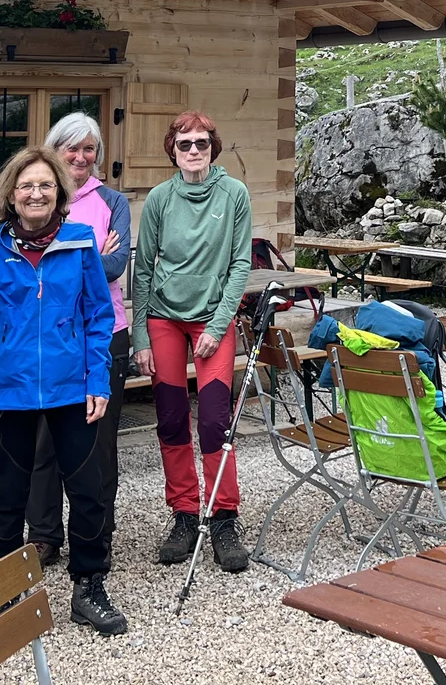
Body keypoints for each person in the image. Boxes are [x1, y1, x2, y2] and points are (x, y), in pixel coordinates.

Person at [0, 147, 126, 636]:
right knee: (9, 494)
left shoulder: (79, 243)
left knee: (87, 488)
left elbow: (99, 317)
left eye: (46, 186)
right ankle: (3, 585)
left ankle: (90, 584)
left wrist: (97, 379)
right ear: (11, 195)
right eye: (27, 186)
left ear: (60, 194)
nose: (36, 193)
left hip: (72, 388)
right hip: (10, 392)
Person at [131, 111, 253, 573]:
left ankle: (223, 516)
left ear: (213, 147)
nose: (194, 151)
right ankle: (184, 513)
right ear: (173, 150)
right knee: (170, 417)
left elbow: (241, 263)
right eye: (185, 144)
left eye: (202, 142)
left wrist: (219, 327)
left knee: (216, 421)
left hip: (212, 319)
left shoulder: (234, 194)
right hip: (164, 317)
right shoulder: (161, 198)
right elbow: (142, 269)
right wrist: (141, 335)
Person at [26, 112, 132, 568]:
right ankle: (44, 534)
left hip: (106, 333)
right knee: (44, 441)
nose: (80, 157)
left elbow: (115, 267)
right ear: (55, 149)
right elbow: (31, 261)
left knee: (99, 441)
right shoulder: (40, 195)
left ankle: (96, 531)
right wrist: (89, 249)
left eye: (89, 148)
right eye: (72, 147)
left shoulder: (113, 201)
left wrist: (65, 254)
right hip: (47, 336)